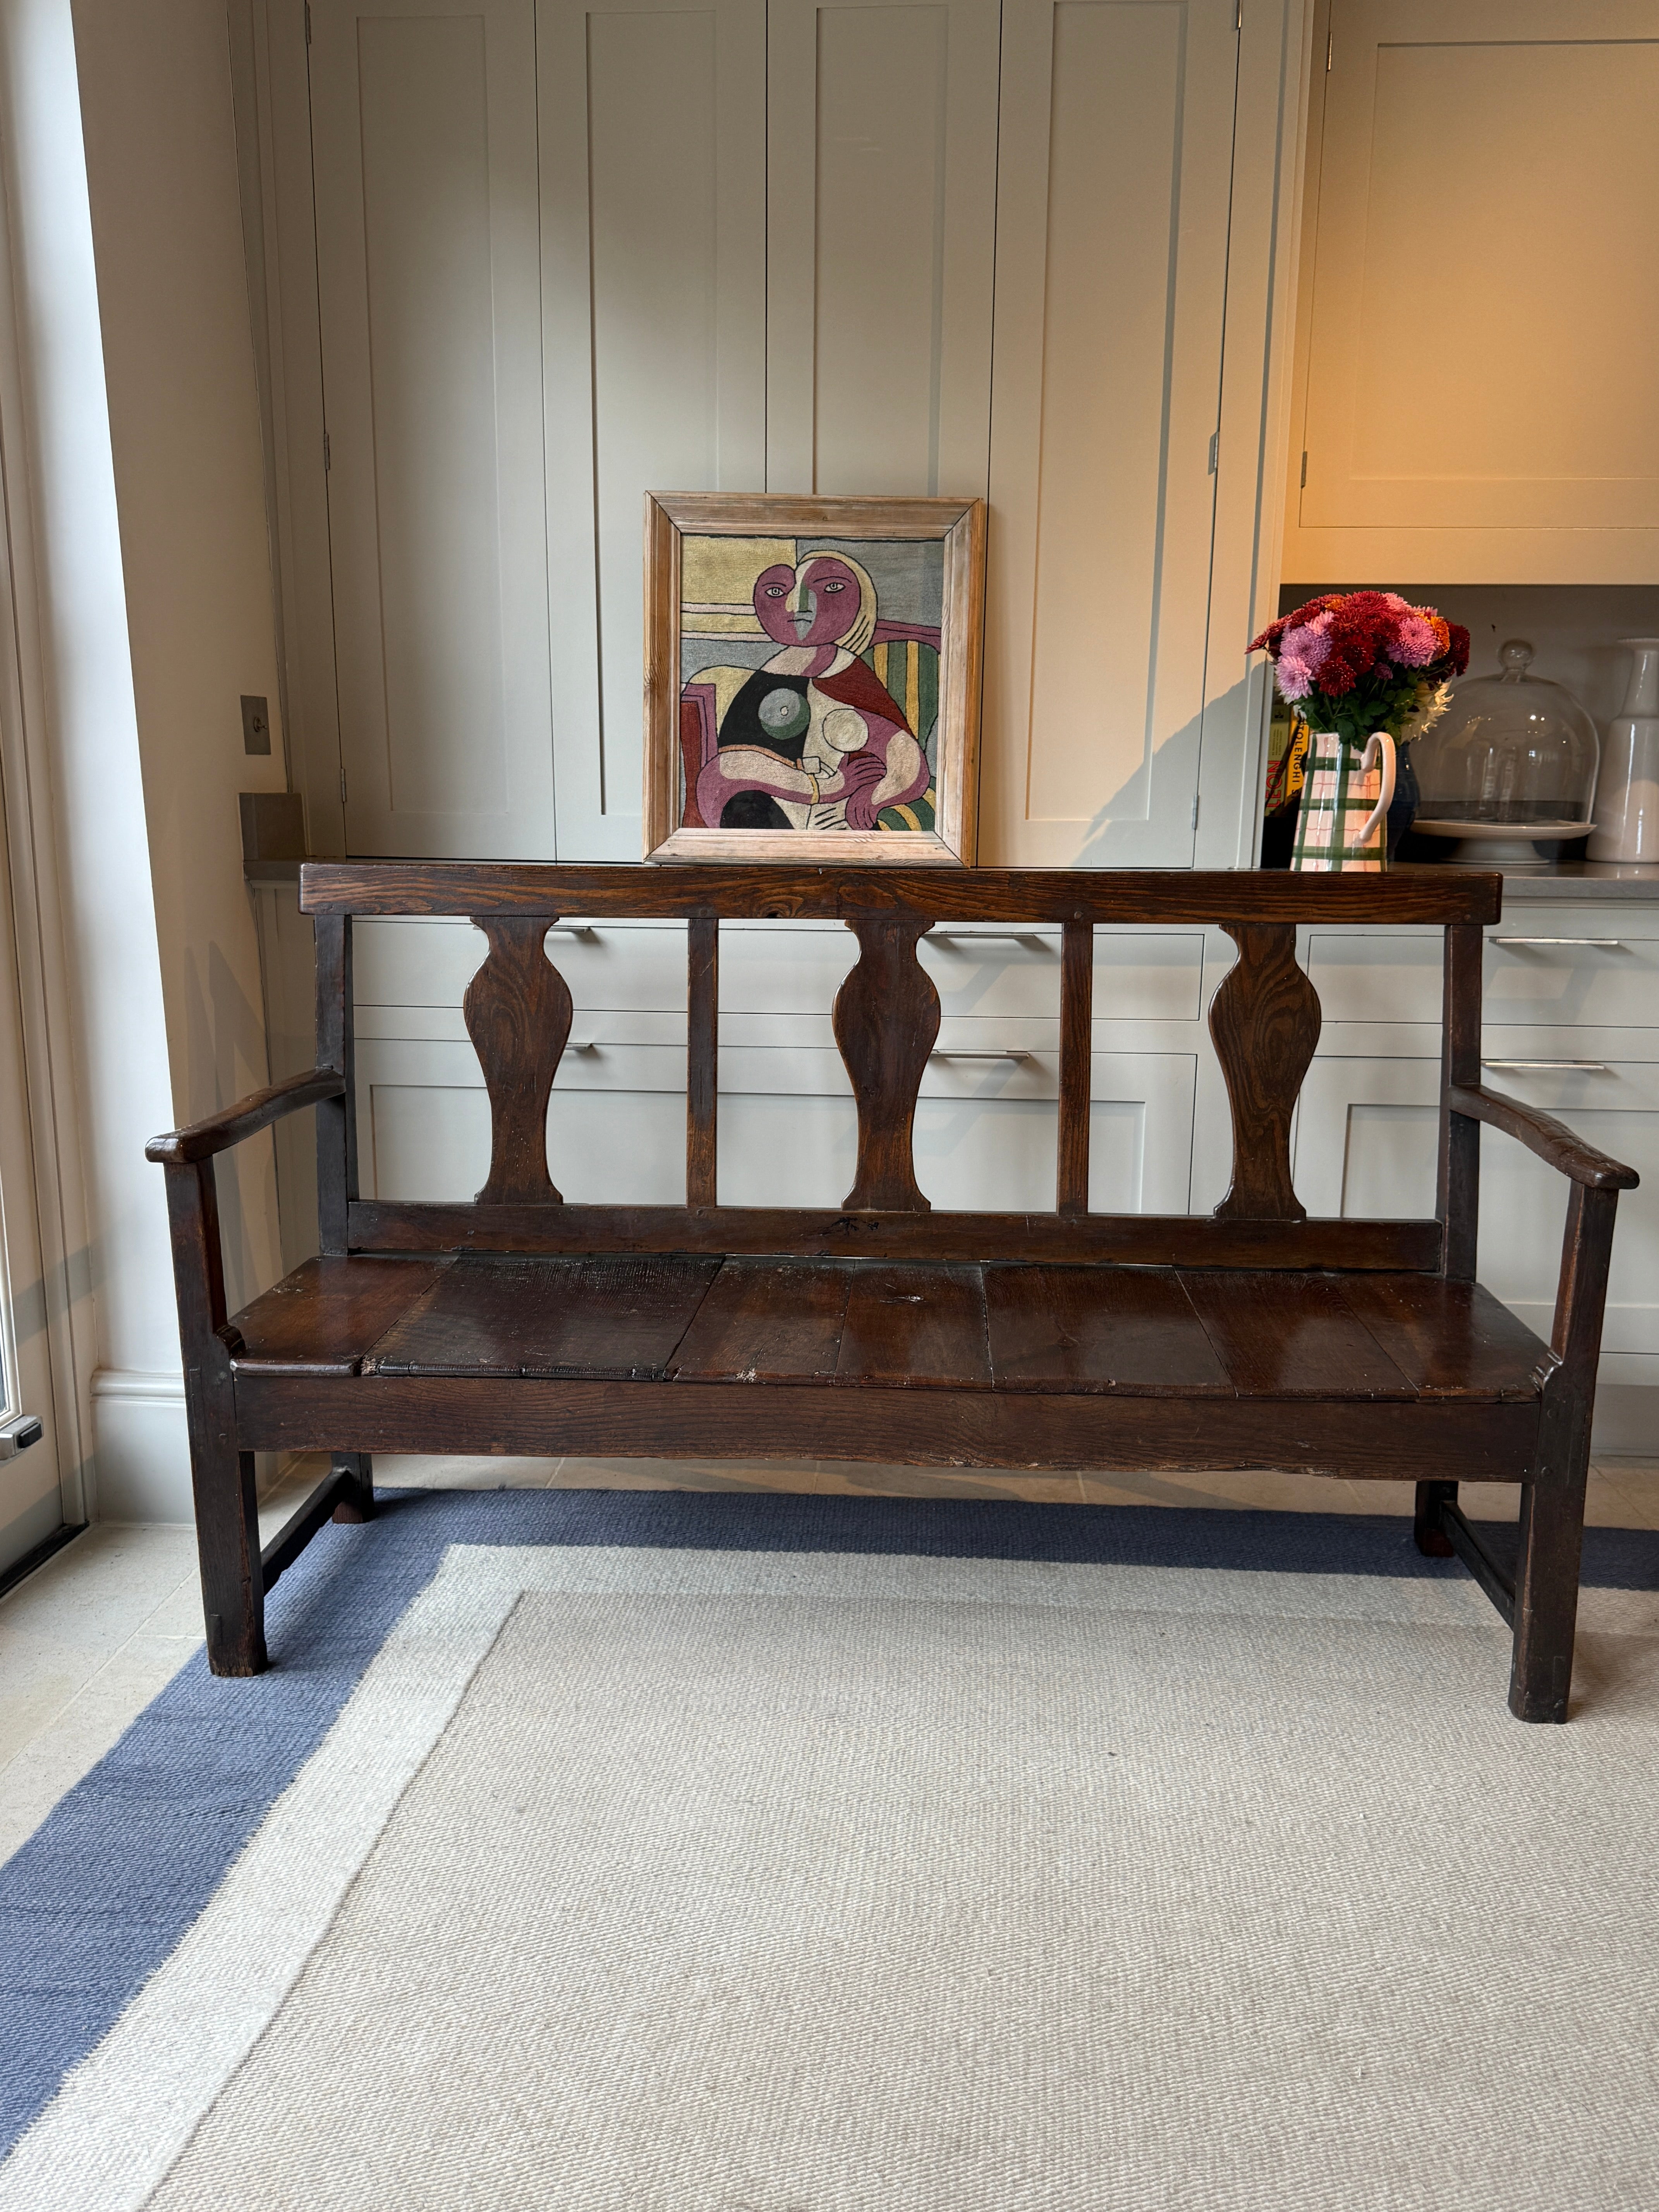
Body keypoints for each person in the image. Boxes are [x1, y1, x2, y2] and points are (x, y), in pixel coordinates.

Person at [681, 552, 930, 831]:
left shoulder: (847, 674)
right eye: (777, 592)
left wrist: (874, 797)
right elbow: (727, 771)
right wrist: (826, 787)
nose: (798, 606)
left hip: (835, 821)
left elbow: (906, 758)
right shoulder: (767, 678)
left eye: (831, 588)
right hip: (769, 811)